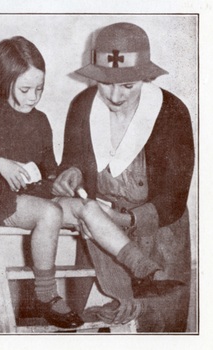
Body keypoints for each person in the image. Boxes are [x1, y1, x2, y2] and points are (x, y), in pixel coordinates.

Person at [52, 22, 195, 332]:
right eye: (106, 84)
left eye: (128, 85)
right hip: (99, 240)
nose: (115, 95)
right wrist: (72, 173)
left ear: (145, 77)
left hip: (158, 241)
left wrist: (126, 220)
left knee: (154, 329)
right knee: (92, 328)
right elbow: (73, 162)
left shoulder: (171, 112)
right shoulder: (81, 106)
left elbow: (174, 197)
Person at [0, 36, 84, 329]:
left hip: (30, 198)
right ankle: (46, 295)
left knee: (83, 207)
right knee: (50, 212)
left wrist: (59, 181)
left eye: (39, 89)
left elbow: (49, 168)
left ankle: (135, 261)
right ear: (4, 82)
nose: (33, 97)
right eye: (25, 89)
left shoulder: (40, 120)